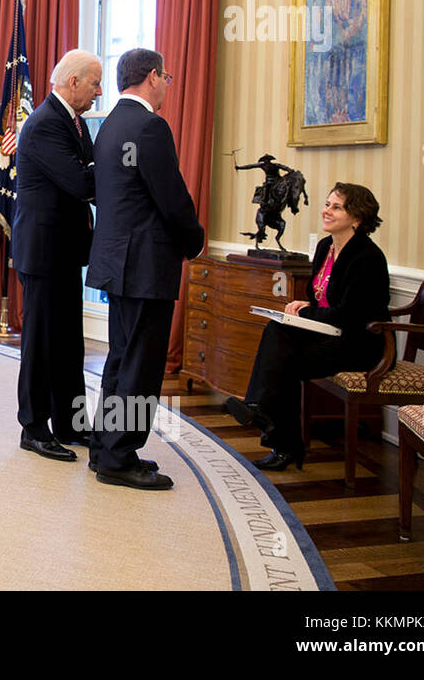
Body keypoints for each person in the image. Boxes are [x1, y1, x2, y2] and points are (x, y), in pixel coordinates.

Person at [86, 49, 204, 490]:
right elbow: (170, 198)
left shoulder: (110, 124)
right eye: (166, 77)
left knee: (121, 358)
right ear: (152, 77)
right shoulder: (150, 126)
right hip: (146, 265)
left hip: (118, 262)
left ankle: (106, 446)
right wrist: (195, 239)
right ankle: (118, 457)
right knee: (140, 364)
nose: (168, 84)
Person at [225, 183, 390, 470]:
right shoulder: (326, 247)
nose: (326, 210)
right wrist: (306, 307)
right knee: (278, 332)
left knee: (284, 362)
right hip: (328, 335)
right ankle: (263, 415)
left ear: (358, 218)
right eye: (327, 204)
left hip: (359, 344)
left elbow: (351, 316)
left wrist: (309, 312)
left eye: (336, 207)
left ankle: (275, 433)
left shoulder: (367, 257)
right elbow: (322, 299)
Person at [11, 49, 103, 462]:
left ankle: (70, 424)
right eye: (95, 83)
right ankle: (33, 427)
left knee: (69, 344)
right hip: (43, 251)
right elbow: (81, 181)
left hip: (64, 250)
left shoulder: (73, 121)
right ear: (73, 83)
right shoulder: (46, 123)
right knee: (42, 343)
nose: (99, 92)